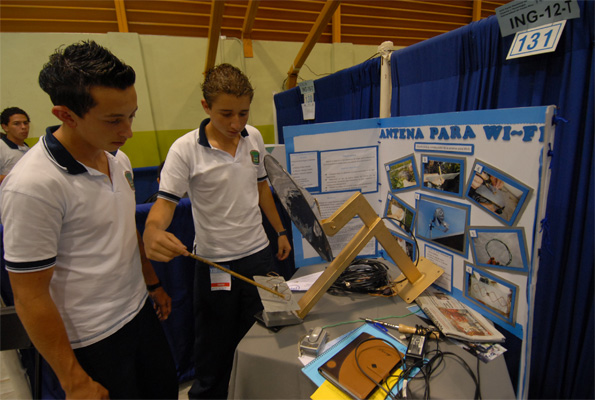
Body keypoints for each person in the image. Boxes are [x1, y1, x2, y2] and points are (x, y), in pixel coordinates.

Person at [0, 40, 178, 399]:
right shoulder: (33, 185)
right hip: (91, 339)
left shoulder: (117, 160)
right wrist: (73, 380)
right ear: (66, 115)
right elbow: (29, 296)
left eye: (132, 115)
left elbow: (125, 230)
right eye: (114, 120)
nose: (127, 131)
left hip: (139, 315)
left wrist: (151, 283)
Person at [143, 63, 292, 399]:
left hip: (259, 257)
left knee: (267, 332)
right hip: (215, 264)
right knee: (214, 346)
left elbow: (262, 188)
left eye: (243, 113)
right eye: (226, 114)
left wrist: (280, 231)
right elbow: (165, 203)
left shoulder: (252, 137)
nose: (236, 124)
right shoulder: (184, 150)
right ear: (205, 107)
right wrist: (151, 230)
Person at [0, 107, 31, 184]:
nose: (23, 127)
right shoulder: (1, 147)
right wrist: (19, 178)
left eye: (26, 123)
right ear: (5, 127)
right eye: (16, 124)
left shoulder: (29, 149)